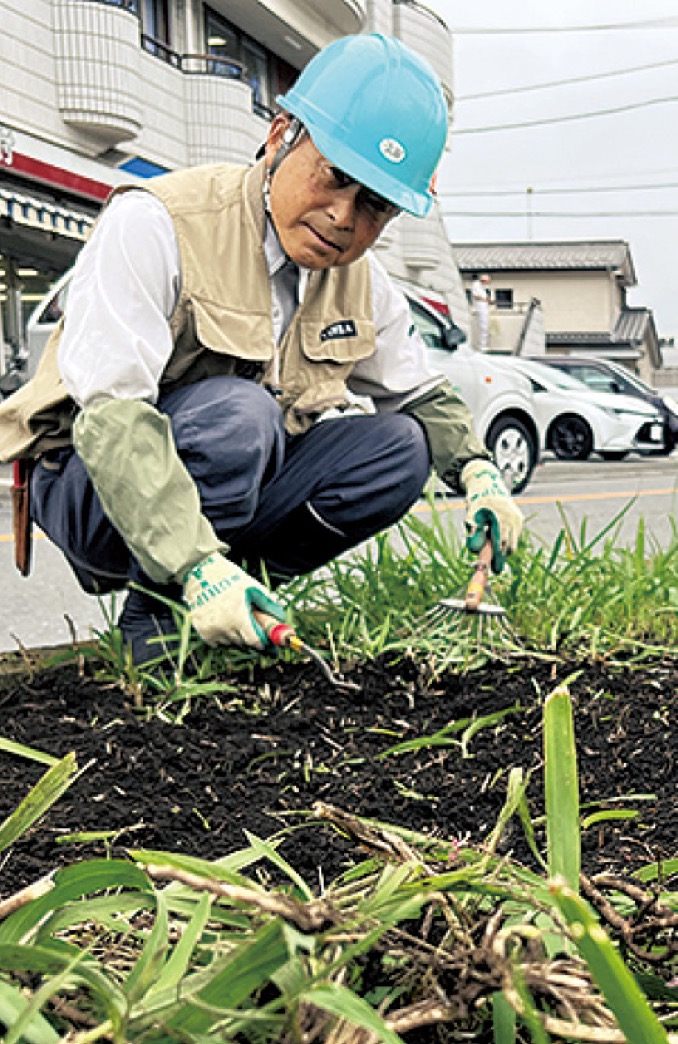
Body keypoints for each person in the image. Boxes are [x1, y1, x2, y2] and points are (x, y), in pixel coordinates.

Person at [0, 33, 523, 666]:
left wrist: (478, 472)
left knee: (399, 450)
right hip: (91, 487)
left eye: (375, 205)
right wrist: (193, 565)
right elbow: (113, 414)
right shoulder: (159, 222)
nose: (343, 217)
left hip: (228, 480)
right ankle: (165, 616)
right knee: (240, 414)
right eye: (335, 177)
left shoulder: (363, 283)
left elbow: (417, 393)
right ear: (280, 138)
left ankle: (238, 599)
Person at [470, 272, 493, 351]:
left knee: (485, 327)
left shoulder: (482, 287)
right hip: (480, 308)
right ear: (484, 280)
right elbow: (476, 296)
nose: (488, 283)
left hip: (484, 308)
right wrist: (486, 300)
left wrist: (488, 300)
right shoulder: (476, 284)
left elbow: (483, 297)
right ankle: (482, 346)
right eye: (488, 281)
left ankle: (484, 345)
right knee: (483, 327)